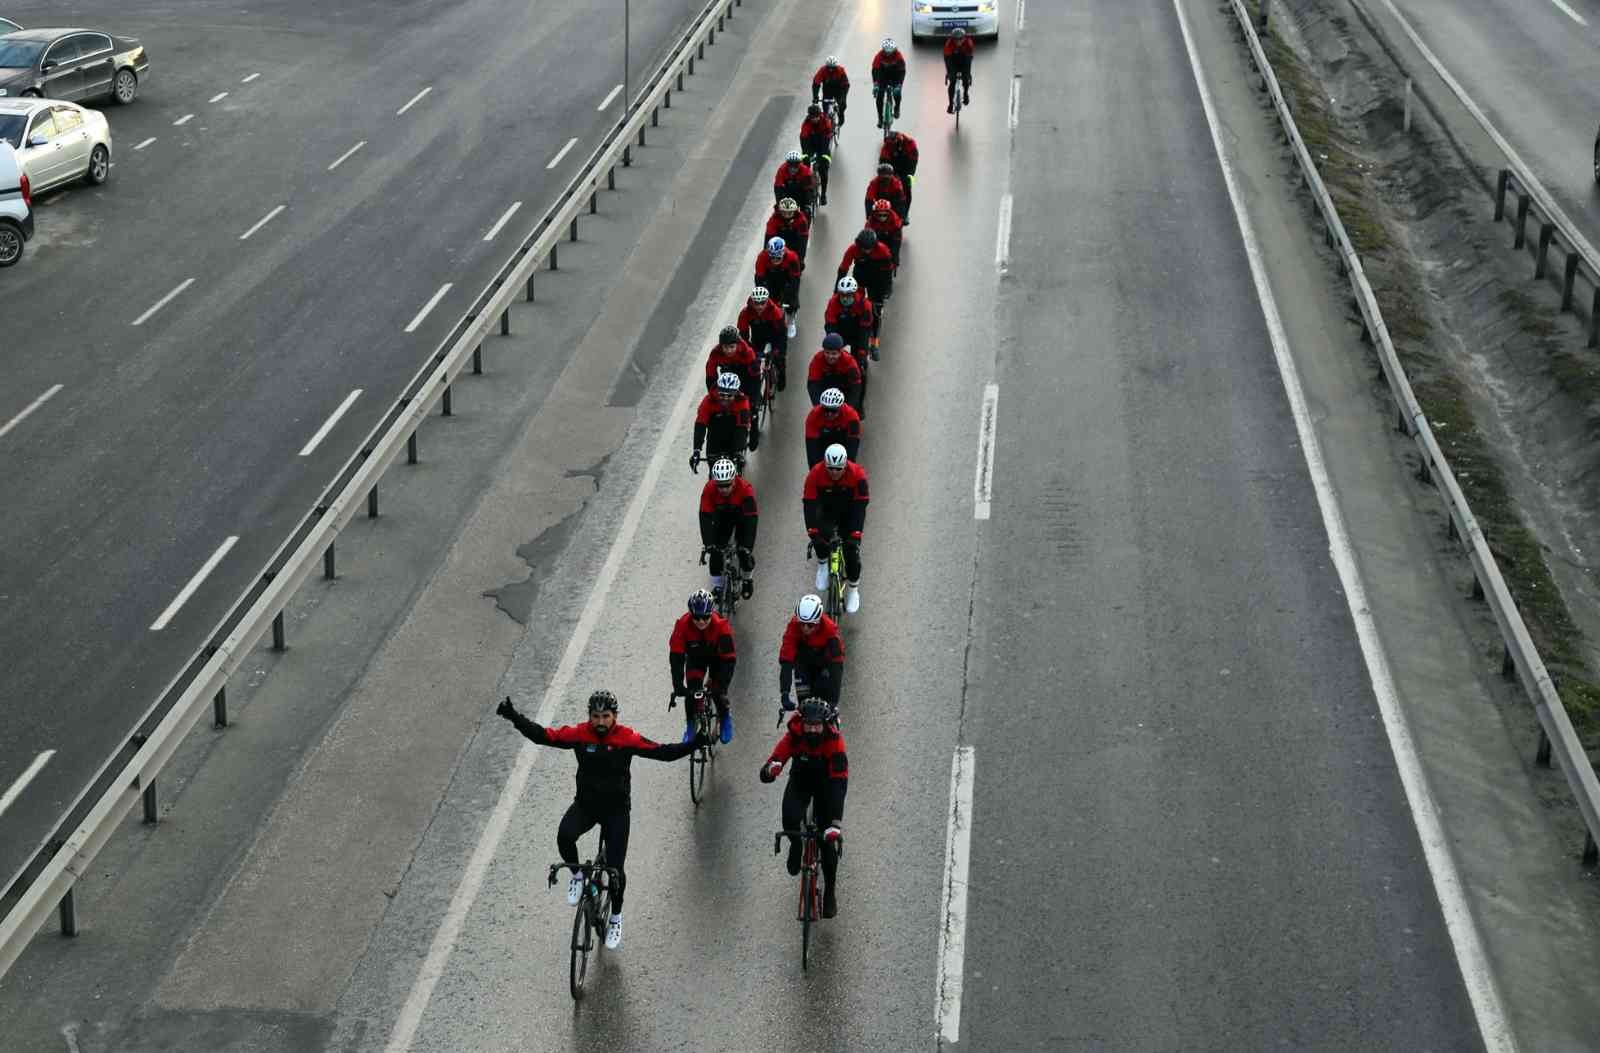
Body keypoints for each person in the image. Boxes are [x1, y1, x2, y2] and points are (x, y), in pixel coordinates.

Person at [496, 691, 701, 950]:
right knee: (564, 836)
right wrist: (514, 717)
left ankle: (615, 916)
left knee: (615, 873)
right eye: (596, 717)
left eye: (606, 716)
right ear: (589, 717)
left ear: (615, 716)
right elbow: (544, 736)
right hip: (586, 806)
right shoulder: (580, 734)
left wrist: (696, 742)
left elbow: (663, 752)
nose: (601, 722)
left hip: (616, 812)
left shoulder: (627, 738)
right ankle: (578, 876)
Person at [760, 698, 848, 919]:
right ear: (803, 724)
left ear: (824, 725)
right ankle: (796, 845)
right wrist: (771, 770)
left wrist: (835, 823)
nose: (812, 729)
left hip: (827, 786)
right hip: (800, 780)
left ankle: (830, 892)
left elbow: (839, 784)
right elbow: (773, 761)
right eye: (809, 725)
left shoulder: (835, 742)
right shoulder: (794, 735)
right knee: (790, 819)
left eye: (817, 725)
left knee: (826, 842)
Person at [802, 443, 870, 614]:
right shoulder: (815, 474)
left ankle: (853, 589)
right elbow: (809, 505)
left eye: (838, 469)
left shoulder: (858, 475)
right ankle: (823, 563)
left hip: (849, 511)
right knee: (820, 537)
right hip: (826, 512)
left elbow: (860, 506)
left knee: (851, 550)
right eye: (830, 468)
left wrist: (856, 534)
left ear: (845, 465)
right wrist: (813, 533)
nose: (834, 472)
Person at [669, 589, 738, 744]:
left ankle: (725, 717)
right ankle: (691, 725)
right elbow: (676, 658)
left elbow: (729, 659)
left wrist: (722, 684)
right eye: (696, 617)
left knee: (717, 691)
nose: (701, 621)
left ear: (711, 613)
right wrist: (678, 685)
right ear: (690, 615)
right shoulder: (682, 625)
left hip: (718, 659)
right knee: (692, 693)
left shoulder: (721, 626)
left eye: (705, 617)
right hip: (695, 659)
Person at [698, 456, 759, 601]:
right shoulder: (709, 489)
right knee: (715, 553)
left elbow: (751, 520)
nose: (723, 489)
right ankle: (718, 587)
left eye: (727, 485)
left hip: (742, 517)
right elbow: (705, 516)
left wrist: (747, 547)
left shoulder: (745, 489)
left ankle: (747, 580)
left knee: (744, 554)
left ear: (734, 480)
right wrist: (708, 543)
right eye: (720, 485)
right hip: (721, 517)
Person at [778, 594, 845, 708]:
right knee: (805, 707)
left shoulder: (830, 630)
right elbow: (786, 661)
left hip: (824, 666)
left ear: (818, 622)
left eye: (810, 625)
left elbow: (836, 666)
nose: (805, 628)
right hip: (803, 665)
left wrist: (834, 701)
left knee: (824, 705)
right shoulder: (793, 626)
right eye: (802, 624)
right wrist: (785, 693)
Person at [705, 324, 762, 448]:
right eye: (726, 347)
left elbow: (756, 378)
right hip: (729, 374)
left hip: (747, 375)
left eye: (732, 347)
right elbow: (710, 376)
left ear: (738, 344)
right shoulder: (715, 353)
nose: (729, 350)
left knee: (751, 407)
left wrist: (754, 399)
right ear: (721, 346)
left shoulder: (747, 352)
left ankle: (754, 429)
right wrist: (713, 396)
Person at [691, 372, 753, 470]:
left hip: (734, 434)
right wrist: (696, 450)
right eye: (722, 395)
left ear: (736, 393)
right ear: (718, 391)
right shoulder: (708, 401)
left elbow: (742, 427)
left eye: (729, 396)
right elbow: (700, 425)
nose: (725, 399)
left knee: (734, 468)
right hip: (715, 436)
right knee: (713, 469)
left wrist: (738, 451)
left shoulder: (742, 401)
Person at [837, 229, 895, 323]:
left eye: (869, 248)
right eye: (864, 248)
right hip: (861, 274)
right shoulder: (852, 249)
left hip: (877, 276)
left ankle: (876, 322)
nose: (867, 251)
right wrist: (837, 289)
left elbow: (888, 272)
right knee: (855, 302)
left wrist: (887, 288)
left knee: (876, 305)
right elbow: (843, 268)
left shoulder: (883, 250)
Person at [738, 286, 790, 392]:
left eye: (762, 303)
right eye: (756, 303)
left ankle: (782, 377)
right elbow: (743, 335)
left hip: (775, 335)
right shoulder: (745, 313)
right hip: (758, 338)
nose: (759, 307)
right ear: (752, 302)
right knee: (753, 362)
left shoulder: (775, 312)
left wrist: (778, 350)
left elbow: (782, 334)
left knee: (779, 358)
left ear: (767, 301)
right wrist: (749, 350)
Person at [754, 236, 804, 331]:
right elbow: (759, 279)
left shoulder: (792, 257)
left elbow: (795, 280)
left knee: (792, 300)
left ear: (783, 253)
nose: (775, 260)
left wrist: (789, 296)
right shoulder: (762, 257)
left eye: (777, 257)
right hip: (770, 277)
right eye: (772, 257)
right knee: (767, 301)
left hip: (787, 277)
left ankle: (791, 319)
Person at [824, 276, 877, 364]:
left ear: (854, 294)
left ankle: (875, 344)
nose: (844, 299)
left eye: (848, 295)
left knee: (860, 359)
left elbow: (865, 331)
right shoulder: (833, 302)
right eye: (842, 295)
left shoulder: (864, 304)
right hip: (840, 332)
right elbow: (830, 326)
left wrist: (862, 350)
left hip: (858, 332)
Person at [807, 332, 863, 413]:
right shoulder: (817, 360)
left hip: (844, 386)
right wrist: (819, 407)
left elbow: (855, 388)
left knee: (862, 376)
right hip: (825, 385)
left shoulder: (850, 362)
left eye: (834, 353)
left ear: (840, 352)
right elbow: (813, 386)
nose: (830, 357)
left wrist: (850, 408)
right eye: (827, 353)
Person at [805, 387, 862, 467]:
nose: (829, 414)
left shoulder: (851, 416)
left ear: (840, 407)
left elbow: (853, 446)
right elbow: (812, 448)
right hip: (822, 441)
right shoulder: (813, 416)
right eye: (826, 410)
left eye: (833, 410)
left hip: (843, 440)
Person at [798, 104, 835, 205]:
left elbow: (827, 139)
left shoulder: (825, 121)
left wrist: (823, 155)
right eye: (812, 117)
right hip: (810, 143)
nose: (814, 119)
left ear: (820, 115)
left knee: (823, 168)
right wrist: (806, 155)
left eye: (816, 117)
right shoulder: (806, 124)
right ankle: (806, 192)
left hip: (822, 142)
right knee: (804, 166)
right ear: (809, 116)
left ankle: (823, 194)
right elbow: (804, 140)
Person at [878, 131, 919, 222]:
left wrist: (908, 175)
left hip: (908, 167)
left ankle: (905, 213)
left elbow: (913, 163)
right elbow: (882, 161)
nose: (892, 147)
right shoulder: (887, 145)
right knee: (883, 184)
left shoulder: (911, 144)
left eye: (894, 146)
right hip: (892, 167)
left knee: (908, 185)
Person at [870, 38, 907, 127]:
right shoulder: (879, 56)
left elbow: (902, 71)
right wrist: (875, 84)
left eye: (890, 52)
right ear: (883, 50)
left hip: (895, 76)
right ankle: (880, 118)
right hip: (883, 76)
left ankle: (897, 107)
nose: (888, 54)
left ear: (894, 50)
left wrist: (899, 85)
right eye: (886, 52)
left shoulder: (899, 56)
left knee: (897, 93)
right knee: (879, 96)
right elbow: (875, 70)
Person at [765, 197, 811, 262]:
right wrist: (767, 256)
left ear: (795, 211)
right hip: (778, 241)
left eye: (789, 213)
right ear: (780, 211)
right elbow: (768, 238)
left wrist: (800, 259)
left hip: (795, 242)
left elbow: (803, 242)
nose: (787, 215)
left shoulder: (801, 220)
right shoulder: (774, 219)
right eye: (784, 212)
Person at [773, 150, 818, 216]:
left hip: (803, 192)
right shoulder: (782, 170)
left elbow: (809, 190)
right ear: (787, 164)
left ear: (799, 164)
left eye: (796, 165)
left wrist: (807, 205)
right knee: (780, 212)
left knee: (806, 212)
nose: (793, 169)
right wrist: (779, 204)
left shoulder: (806, 171)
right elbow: (778, 188)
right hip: (788, 193)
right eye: (790, 165)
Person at [811, 55, 850, 127]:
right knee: (825, 109)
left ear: (836, 67)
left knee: (842, 105)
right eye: (829, 68)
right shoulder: (822, 70)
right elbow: (816, 84)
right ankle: (827, 125)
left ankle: (841, 117)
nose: (831, 70)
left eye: (833, 68)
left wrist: (843, 98)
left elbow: (846, 85)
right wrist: (815, 96)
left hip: (839, 89)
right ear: (826, 67)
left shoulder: (841, 70)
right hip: (827, 90)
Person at [943, 28, 975, 112]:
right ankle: (950, 104)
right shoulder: (948, 44)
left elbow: (969, 59)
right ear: (953, 39)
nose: (958, 42)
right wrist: (949, 73)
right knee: (952, 81)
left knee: (965, 78)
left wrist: (967, 74)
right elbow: (947, 60)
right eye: (956, 40)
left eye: (960, 39)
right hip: (952, 61)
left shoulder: (968, 43)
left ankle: (965, 93)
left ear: (964, 38)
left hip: (965, 60)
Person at [866, 198, 904, 269]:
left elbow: (897, 239)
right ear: (875, 214)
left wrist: (895, 255)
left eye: (885, 215)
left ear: (889, 213)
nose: (882, 217)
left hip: (892, 235)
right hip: (877, 235)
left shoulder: (895, 220)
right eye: (879, 215)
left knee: (894, 251)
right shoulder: (871, 220)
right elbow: (867, 233)